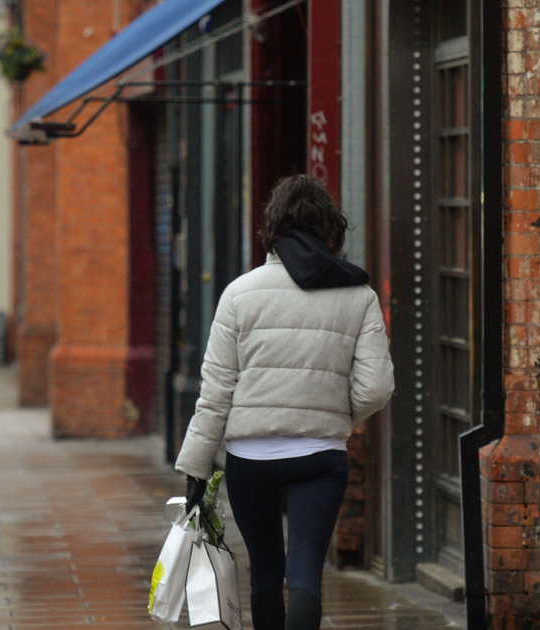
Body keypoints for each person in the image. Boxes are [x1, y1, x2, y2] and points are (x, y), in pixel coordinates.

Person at [175, 175, 394, 630]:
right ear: (331, 228)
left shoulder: (239, 293)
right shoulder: (359, 295)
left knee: (267, 574)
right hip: (320, 456)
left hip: (249, 460)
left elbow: (215, 393)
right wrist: (332, 414)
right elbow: (375, 388)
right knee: (306, 575)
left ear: (271, 227)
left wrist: (195, 468)